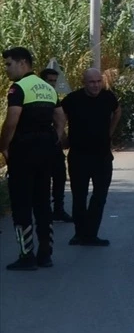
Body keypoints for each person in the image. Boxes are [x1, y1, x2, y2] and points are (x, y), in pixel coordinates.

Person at [2, 48, 66, 270]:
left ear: (22, 63)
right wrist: (54, 140)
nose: (7, 69)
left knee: (21, 205)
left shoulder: (18, 88)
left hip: (23, 152)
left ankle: (26, 255)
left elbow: (12, 121)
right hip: (45, 152)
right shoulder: (47, 88)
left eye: (9, 64)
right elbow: (60, 118)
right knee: (42, 203)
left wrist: (4, 147)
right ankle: (45, 254)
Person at [61, 68, 121, 246]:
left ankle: (91, 234)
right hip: (79, 156)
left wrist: (109, 132)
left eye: (98, 82)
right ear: (84, 83)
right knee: (79, 196)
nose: (95, 85)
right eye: (91, 82)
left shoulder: (108, 97)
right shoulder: (72, 99)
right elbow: (58, 118)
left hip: (102, 156)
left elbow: (117, 111)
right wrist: (63, 139)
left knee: (99, 196)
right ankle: (79, 234)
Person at [40, 67, 73, 223]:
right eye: (49, 81)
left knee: (60, 175)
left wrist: (61, 138)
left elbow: (59, 119)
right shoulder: (37, 96)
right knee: (44, 179)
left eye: (54, 81)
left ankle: (58, 209)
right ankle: (44, 211)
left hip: (53, 142)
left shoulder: (52, 95)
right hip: (38, 143)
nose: (52, 84)